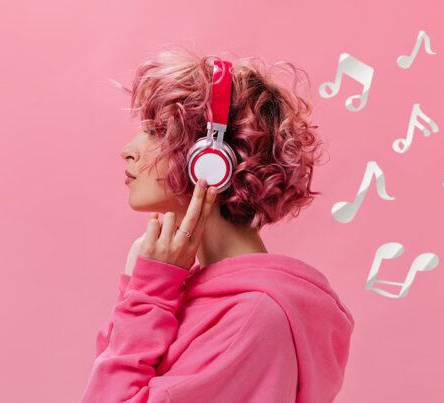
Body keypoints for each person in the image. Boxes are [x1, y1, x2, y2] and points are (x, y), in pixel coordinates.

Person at [80, 46, 355, 403]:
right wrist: (146, 292)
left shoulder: (251, 316)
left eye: (157, 131)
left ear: (210, 159)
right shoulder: (180, 291)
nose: (129, 150)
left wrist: (146, 299)